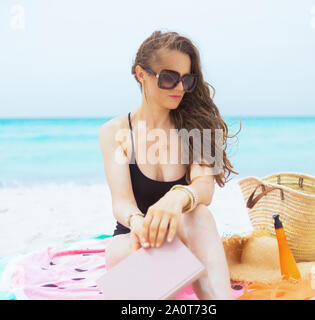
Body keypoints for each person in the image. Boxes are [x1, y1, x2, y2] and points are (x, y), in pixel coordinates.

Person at [99, 30, 240, 300]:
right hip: (133, 242)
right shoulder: (115, 131)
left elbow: (204, 189)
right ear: (141, 74)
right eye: (168, 78)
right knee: (163, 252)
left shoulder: (197, 127)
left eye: (186, 80)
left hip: (184, 240)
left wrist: (177, 198)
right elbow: (121, 204)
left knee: (198, 215)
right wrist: (138, 222)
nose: (179, 88)